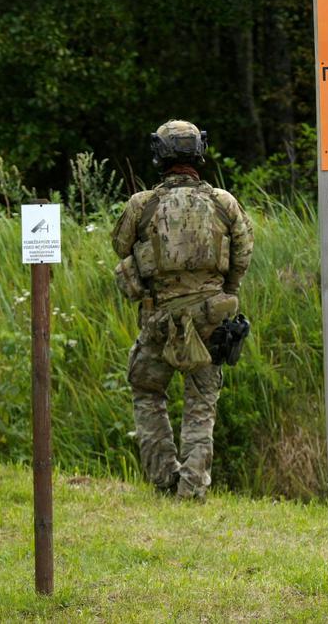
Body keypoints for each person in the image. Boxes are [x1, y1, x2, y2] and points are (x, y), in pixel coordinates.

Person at [111, 119, 253, 501]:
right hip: (212, 318)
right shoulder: (224, 203)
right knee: (201, 402)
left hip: (159, 320)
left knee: (147, 388)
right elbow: (243, 255)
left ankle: (163, 478)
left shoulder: (143, 205)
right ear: (198, 152)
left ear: (160, 154)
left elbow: (120, 247)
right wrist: (228, 292)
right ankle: (192, 488)